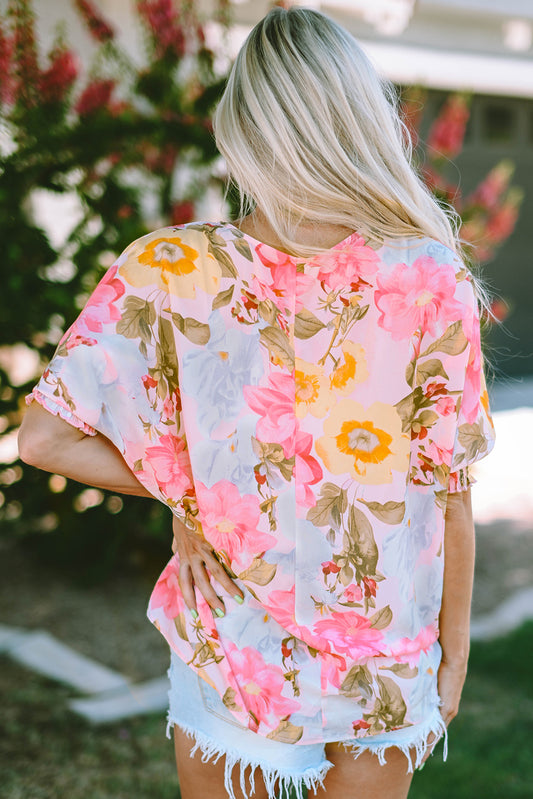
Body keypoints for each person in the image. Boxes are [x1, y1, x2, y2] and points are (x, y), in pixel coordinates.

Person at [18, 7, 495, 799]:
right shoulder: (428, 278)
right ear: (361, 122)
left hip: (234, 650)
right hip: (385, 657)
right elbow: (451, 490)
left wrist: (198, 494)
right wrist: (454, 658)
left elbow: (43, 438)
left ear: (239, 127)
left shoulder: (170, 267)